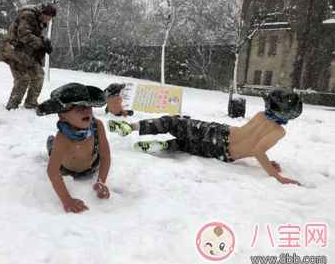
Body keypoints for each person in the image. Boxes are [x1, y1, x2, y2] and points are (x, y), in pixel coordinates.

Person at [108, 86, 303, 186]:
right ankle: (165, 146)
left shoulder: (262, 117)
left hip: (220, 132)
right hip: (224, 153)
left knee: (175, 123)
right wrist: (272, 169)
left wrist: (276, 175)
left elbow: (256, 149)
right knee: (186, 145)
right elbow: (256, 149)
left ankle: (132, 127)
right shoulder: (278, 131)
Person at [37, 83, 111, 213]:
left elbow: (105, 155)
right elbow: (52, 170)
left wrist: (101, 181)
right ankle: (51, 144)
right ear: (62, 116)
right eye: (77, 107)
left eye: (88, 106)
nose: (86, 110)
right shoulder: (63, 137)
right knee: (54, 150)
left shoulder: (97, 126)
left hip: (92, 165)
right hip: (67, 170)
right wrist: (66, 199)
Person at [0, 3, 57, 110]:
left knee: (38, 74)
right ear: (44, 13)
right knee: (23, 77)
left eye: (51, 19)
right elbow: (24, 35)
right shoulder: (28, 15)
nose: (48, 21)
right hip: (12, 50)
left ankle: (31, 102)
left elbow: (31, 38)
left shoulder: (38, 20)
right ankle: (12, 105)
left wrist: (43, 46)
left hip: (24, 53)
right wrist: (41, 43)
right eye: (49, 17)